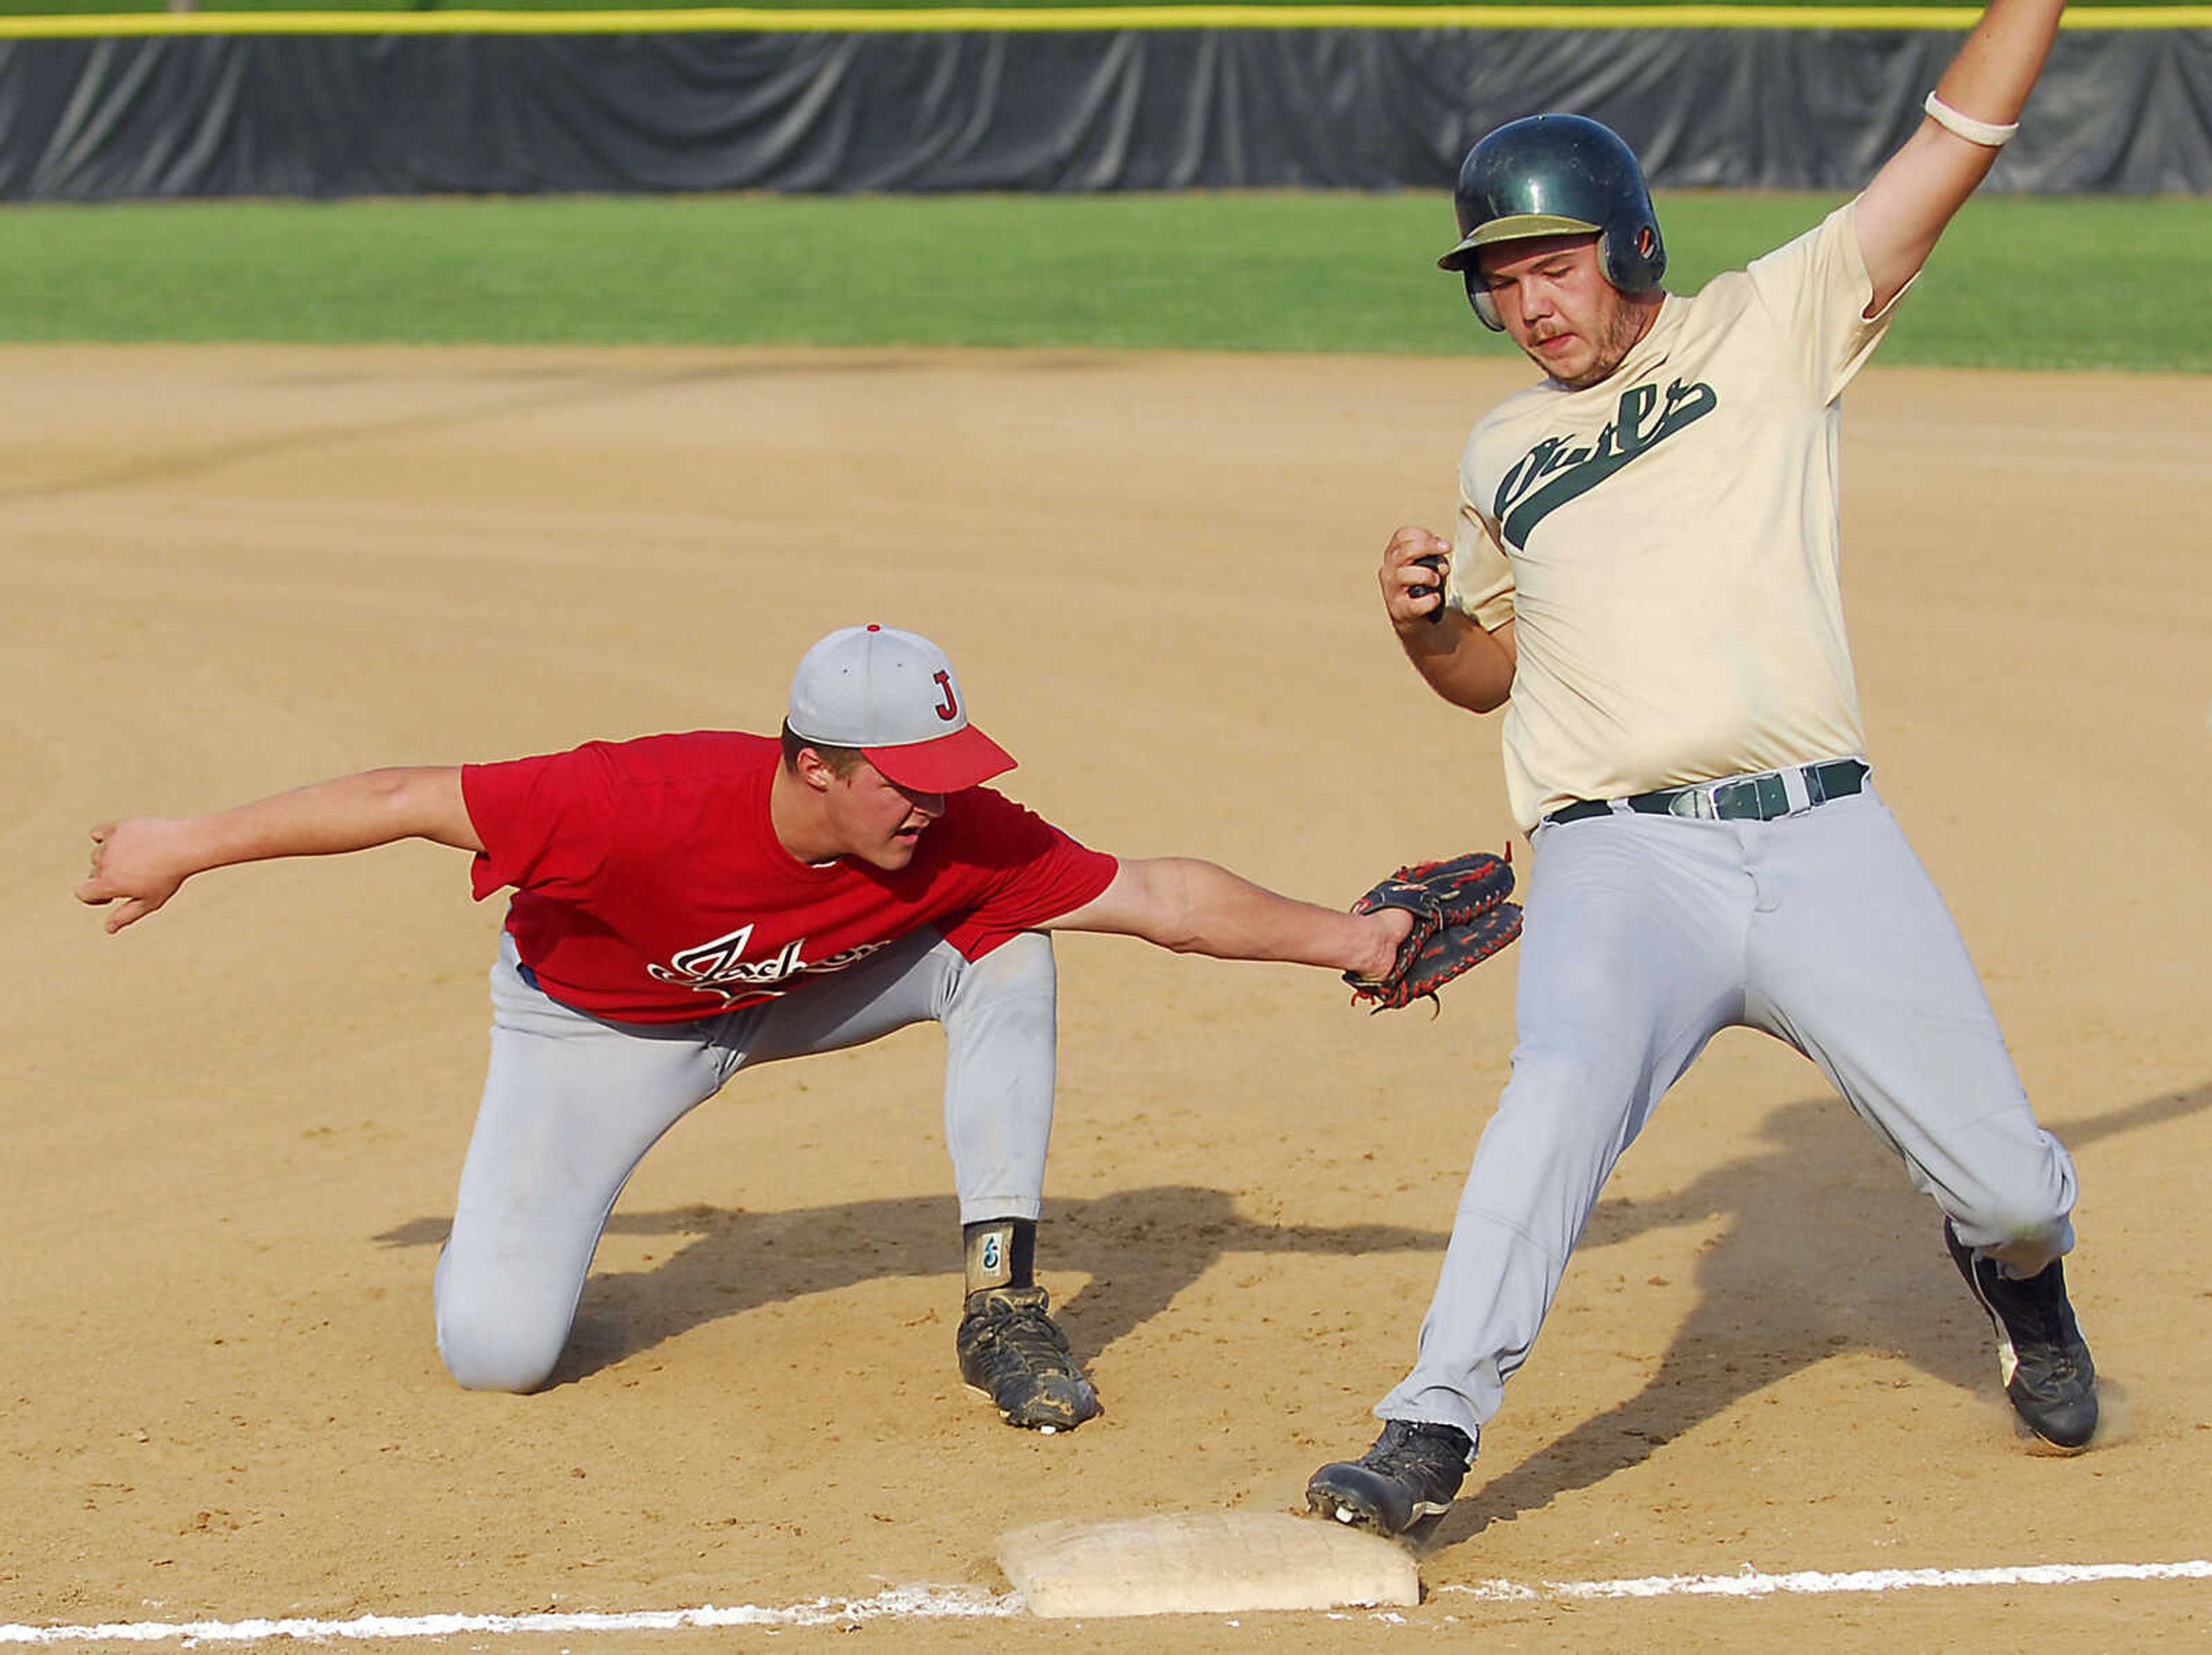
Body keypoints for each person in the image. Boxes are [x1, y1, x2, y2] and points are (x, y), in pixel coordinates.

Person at [1304, 0, 2097, 1537]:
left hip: (1819, 838)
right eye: (1502, 283)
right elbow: (1493, 676)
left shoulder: (1777, 320)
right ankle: (1430, 1423)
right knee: (1554, 1100)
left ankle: (2019, 1281)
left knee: (2011, 1189)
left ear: (1636, 250)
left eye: (1555, 264)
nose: (1531, 307)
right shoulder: (1500, 453)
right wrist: (1420, 632)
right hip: (1616, 861)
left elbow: (1955, 144)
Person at [78, 622, 1416, 1435]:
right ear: (816, 764)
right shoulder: (636, 800)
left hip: (797, 997)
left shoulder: (958, 837)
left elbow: (1162, 898)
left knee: (1011, 949)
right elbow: (403, 795)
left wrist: (1356, 940)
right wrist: (184, 846)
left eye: (952, 776)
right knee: (496, 1359)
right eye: (909, 780)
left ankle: (1002, 1302)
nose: (938, 807)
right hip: (593, 1036)